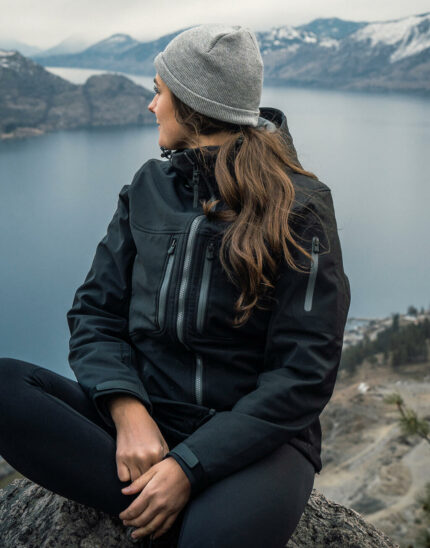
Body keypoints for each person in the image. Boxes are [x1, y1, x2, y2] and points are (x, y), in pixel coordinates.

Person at [0, 23, 351, 548]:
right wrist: (129, 411)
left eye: (159, 91)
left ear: (192, 104)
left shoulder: (300, 207)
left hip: (255, 442)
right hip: (149, 424)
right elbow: (94, 314)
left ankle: (180, 510)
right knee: (7, 387)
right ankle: (172, 507)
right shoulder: (148, 186)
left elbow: (303, 372)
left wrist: (190, 466)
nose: (151, 105)